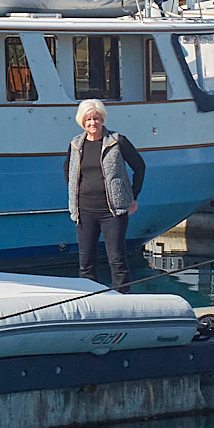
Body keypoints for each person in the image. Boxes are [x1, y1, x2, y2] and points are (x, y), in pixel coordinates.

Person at [64, 99, 145, 292]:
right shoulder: (76, 145)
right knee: (86, 262)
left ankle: (122, 299)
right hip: (84, 211)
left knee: (116, 259)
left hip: (113, 212)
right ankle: (89, 300)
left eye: (96, 118)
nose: (93, 123)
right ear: (82, 121)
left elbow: (139, 166)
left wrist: (133, 196)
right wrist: (76, 192)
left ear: (102, 119)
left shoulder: (117, 142)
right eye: (89, 119)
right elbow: (68, 169)